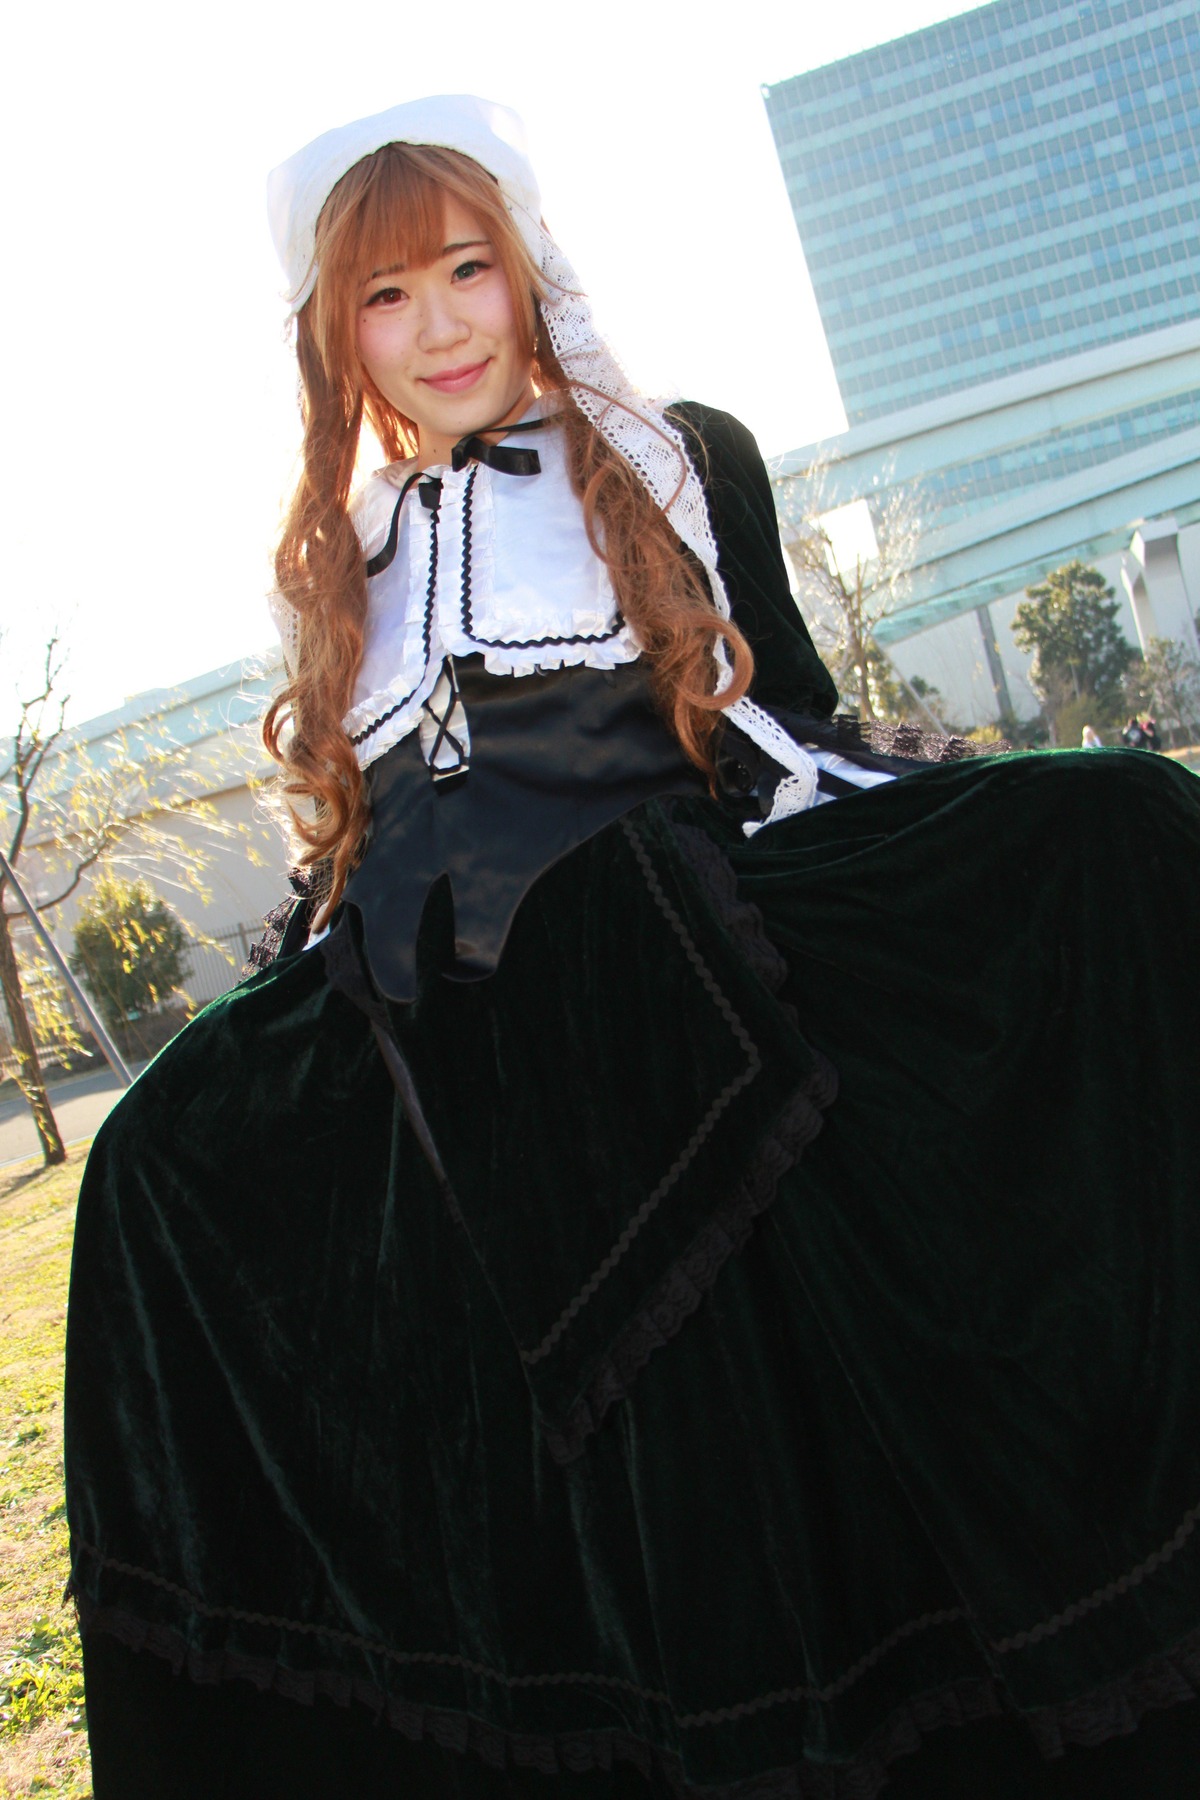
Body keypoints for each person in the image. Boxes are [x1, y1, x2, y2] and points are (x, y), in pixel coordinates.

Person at [65, 97, 1200, 1800]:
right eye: (386, 294)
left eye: (469, 267)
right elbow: (363, 830)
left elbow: (784, 710)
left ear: (528, 269)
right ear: (330, 332)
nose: (440, 322)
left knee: (1113, 830)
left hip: (657, 915)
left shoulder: (671, 450)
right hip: (429, 1000)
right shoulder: (331, 563)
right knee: (149, 1164)